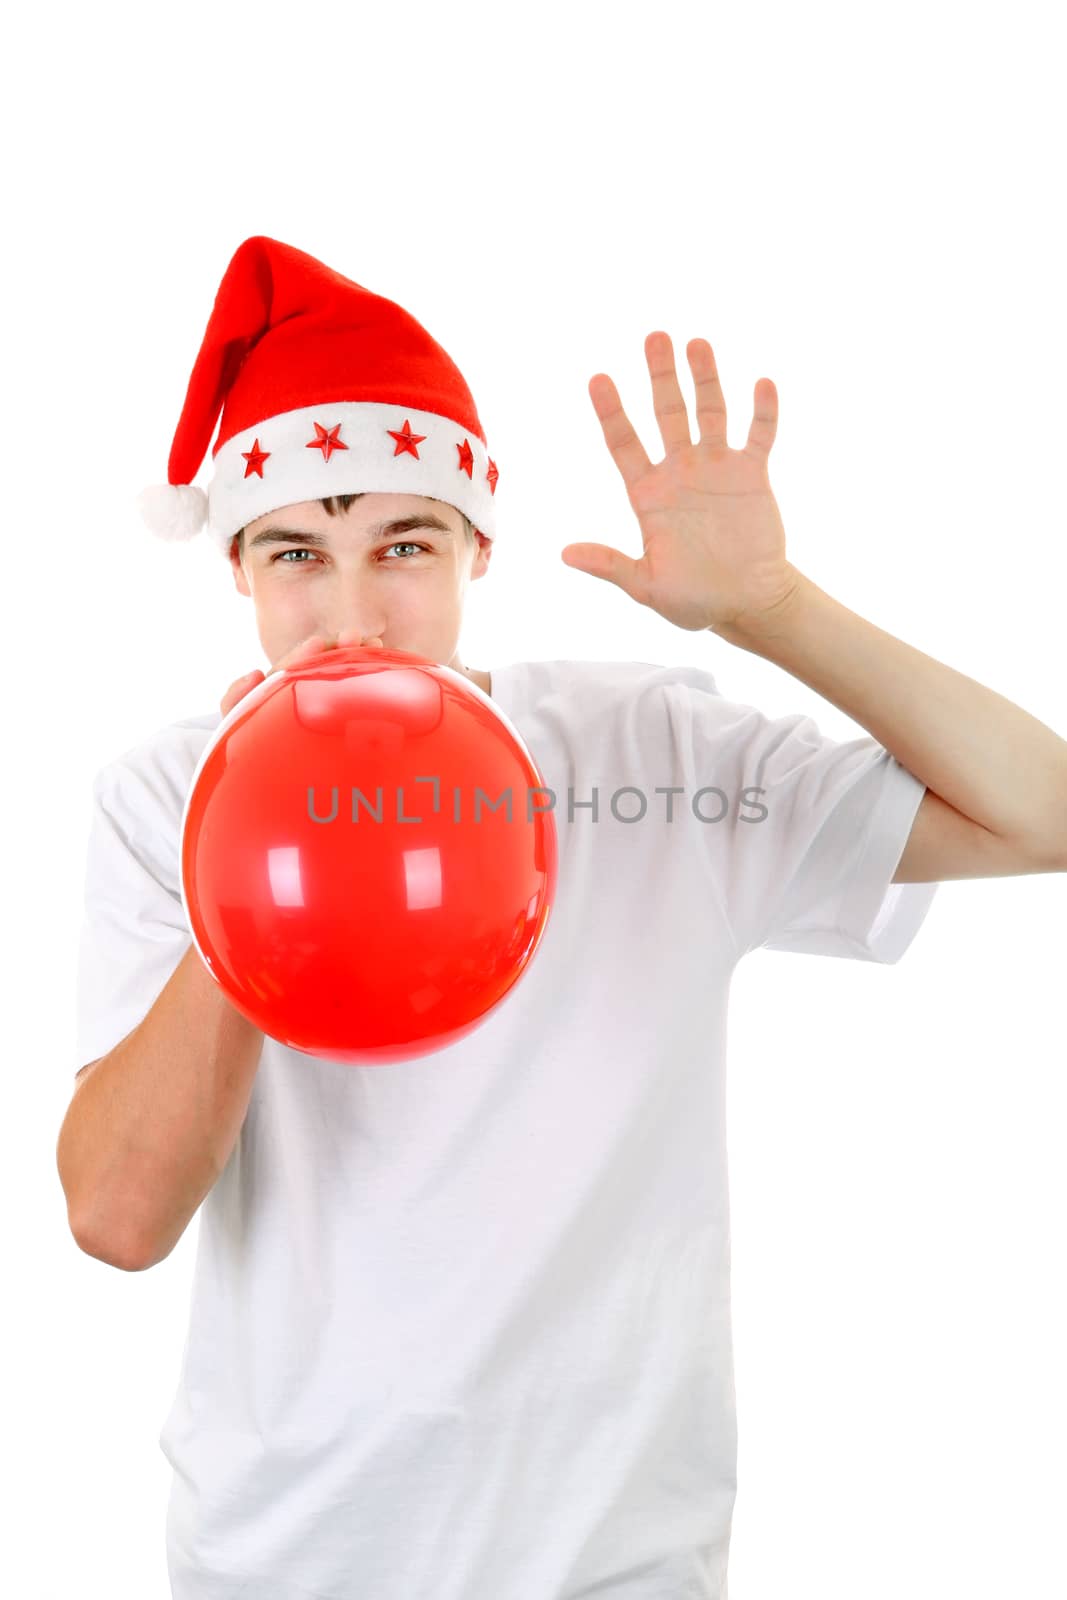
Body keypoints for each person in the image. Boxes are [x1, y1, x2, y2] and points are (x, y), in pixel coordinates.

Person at [57, 235, 1067, 1600]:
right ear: (237, 568)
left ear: (478, 547)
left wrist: (776, 611)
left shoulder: (644, 754)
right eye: (297, 551)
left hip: (611, 1566)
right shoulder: (161, 797)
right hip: (283, 1561)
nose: (349, 612)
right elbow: (117, 1220)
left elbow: (1043, 816)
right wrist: (259, 858)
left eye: (402, 546)